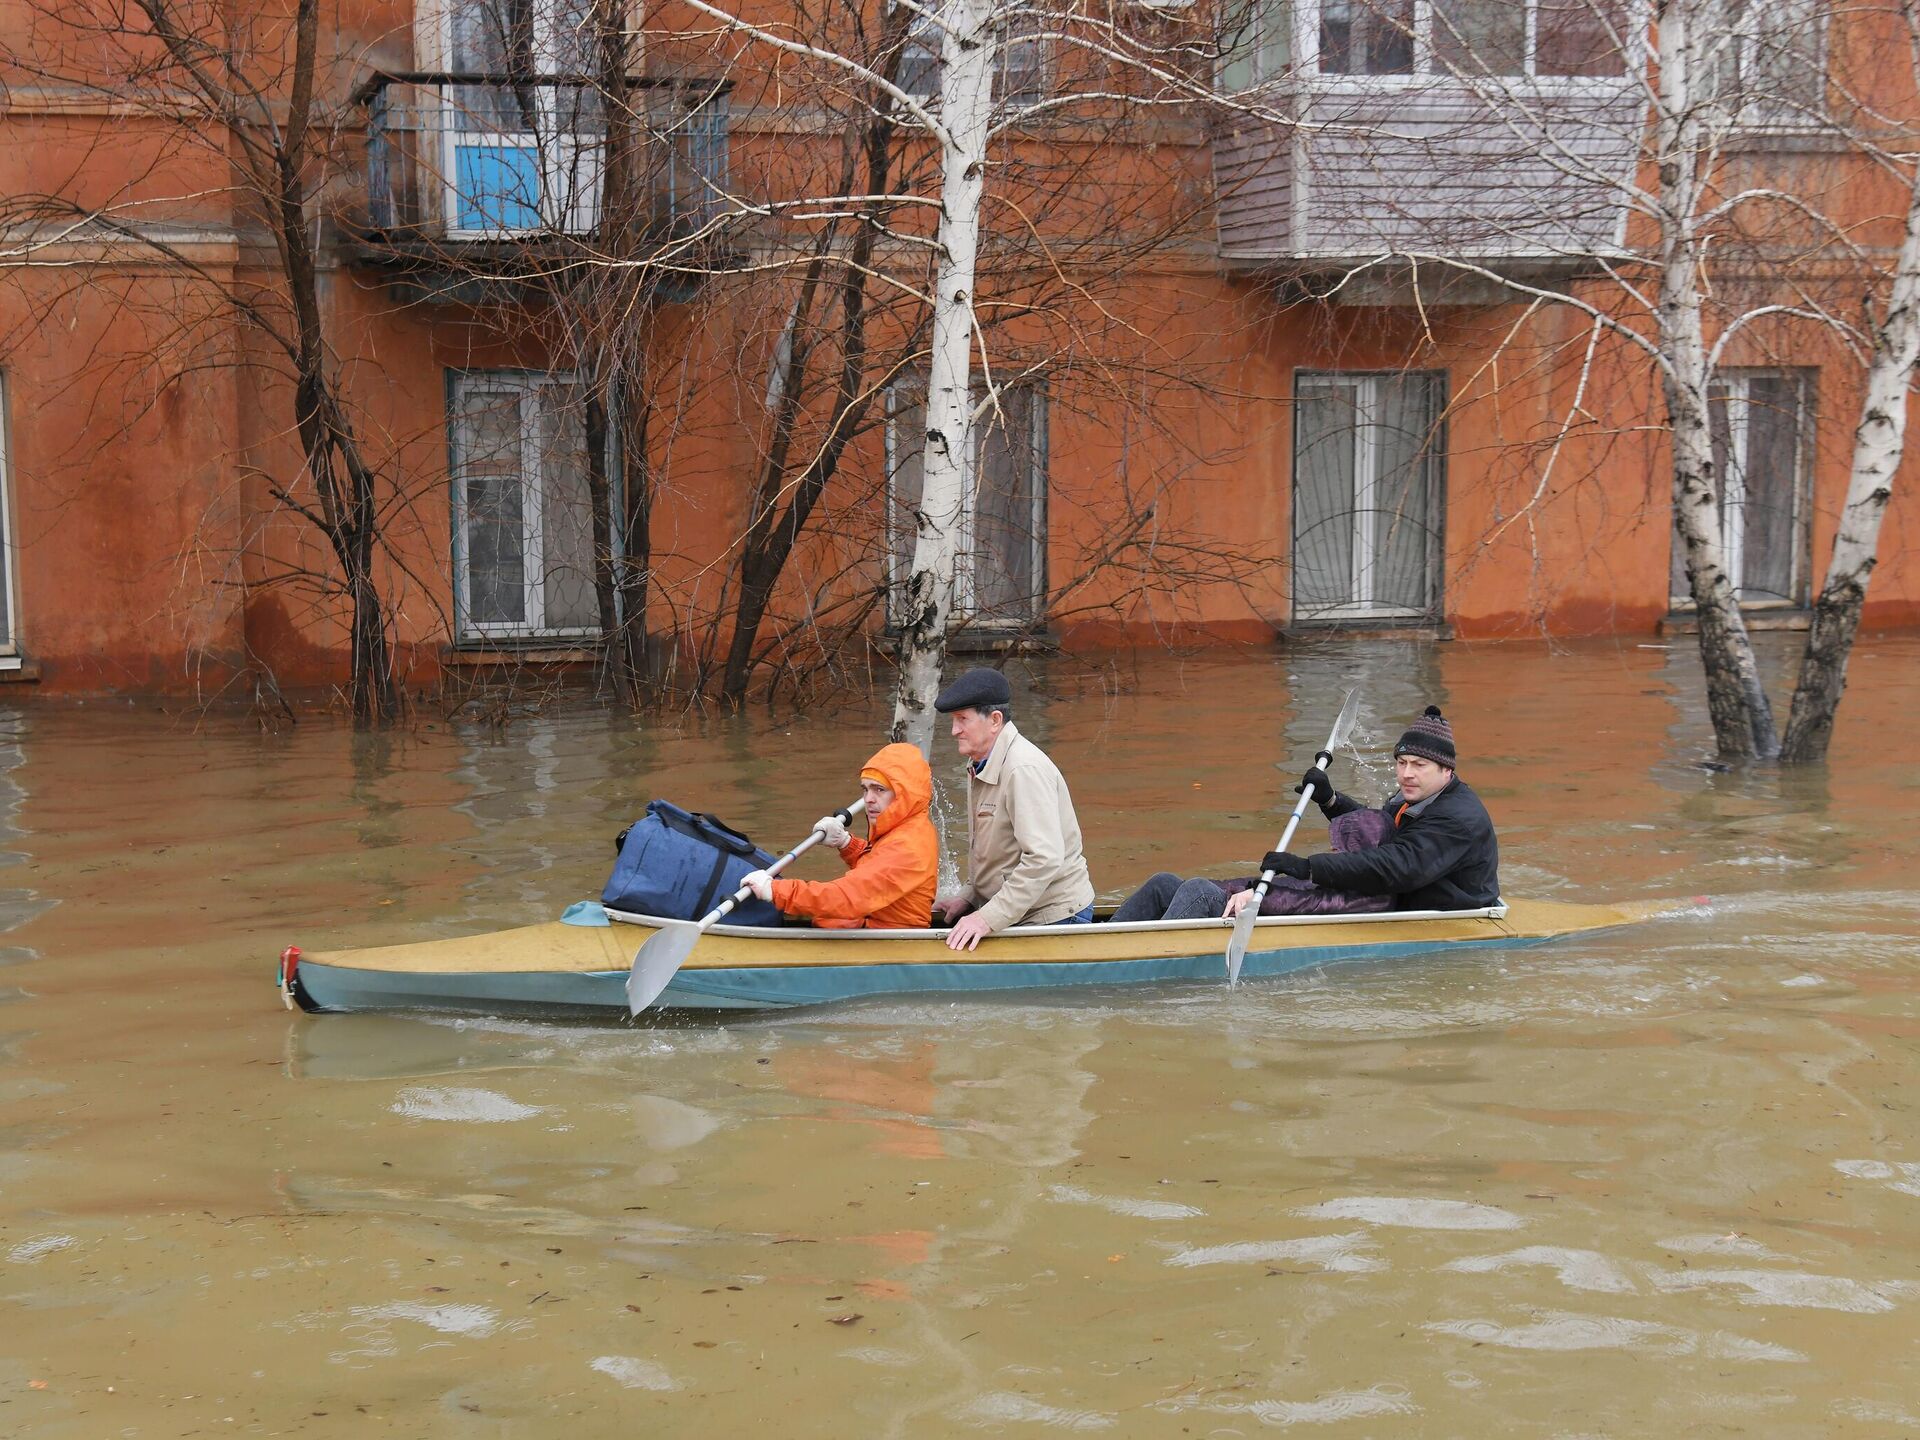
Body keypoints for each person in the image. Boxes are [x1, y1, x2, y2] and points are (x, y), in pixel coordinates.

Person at [1242, 705, 1499, 913]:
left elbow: (1397, 865)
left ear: (1447, 770)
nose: (1406, 774)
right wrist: (1330, 800)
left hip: (1448, 912)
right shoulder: (1416, 794)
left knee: (1300, 889)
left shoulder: (1457, 818)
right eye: (1402, 762)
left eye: (1419, 765)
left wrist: (1310, 867)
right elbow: (1378, 832)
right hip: (1400, 894)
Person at [931, 668, 1095, 950]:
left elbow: (1043, 859)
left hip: (1056, 917)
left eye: (962, 720)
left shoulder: (1023, 770)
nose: (954, 730)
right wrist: (968, 897)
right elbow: (993, 851)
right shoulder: (980, 762)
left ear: (995, 721)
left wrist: (985, 919)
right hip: (1021, 910)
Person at [739, 742, 937, 929]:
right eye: (865, 789)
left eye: (879, 790)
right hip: (880, 924)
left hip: (892, 943)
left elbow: (847, 897)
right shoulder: (907, 828)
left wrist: (776, 891)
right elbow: (877, 867)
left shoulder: (908, 846)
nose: (868, 799)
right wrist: (846, 843)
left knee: (830, 916)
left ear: (904, 794)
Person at [1111, 807, 1392, 922]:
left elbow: (1303, 903)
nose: (1334, 850)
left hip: (1258, 913)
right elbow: (1297, 885)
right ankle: (1103, 941)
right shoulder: (1347, 873)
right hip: (1247, 902)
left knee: (1197, 889)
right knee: (1164, 882)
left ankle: (1143, 956)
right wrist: (1246, 886)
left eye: (1341, 846)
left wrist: (1257, 895)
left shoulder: (1367, 897)